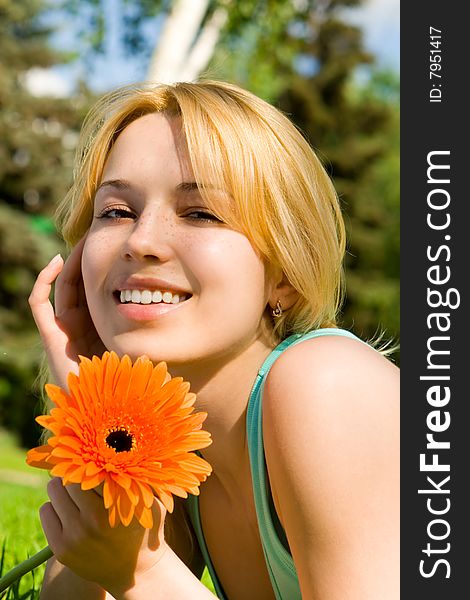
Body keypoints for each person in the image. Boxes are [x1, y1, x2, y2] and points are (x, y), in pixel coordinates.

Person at [29, 80, 399, 599]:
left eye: (200, 213)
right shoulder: (180, 446)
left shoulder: (327, 384)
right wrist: (93, 405)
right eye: (116, 211)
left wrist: (144, 570)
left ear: (284, 276)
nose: (141, 241)